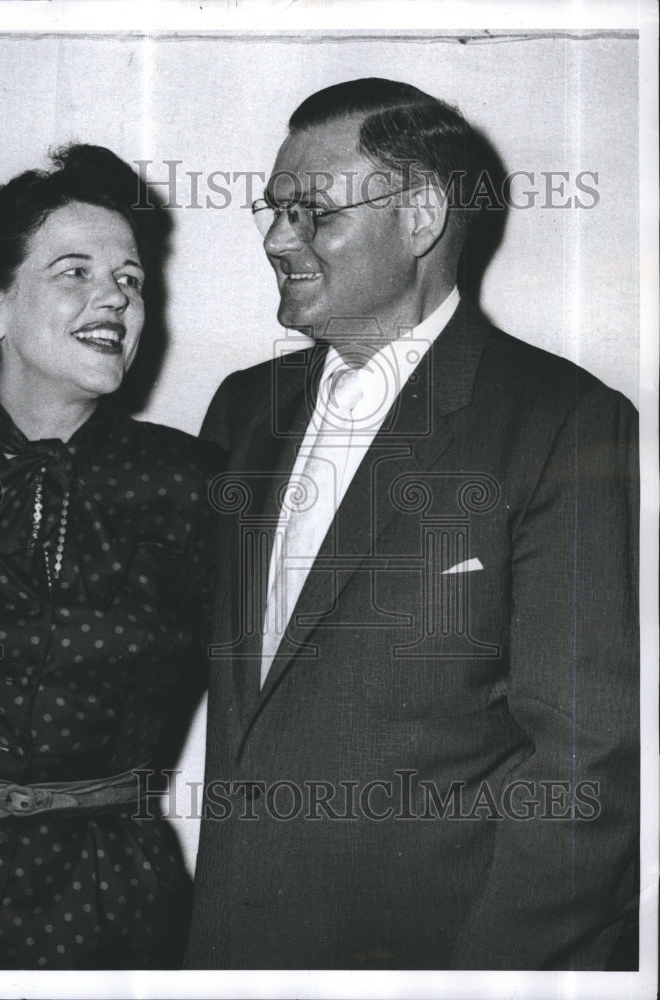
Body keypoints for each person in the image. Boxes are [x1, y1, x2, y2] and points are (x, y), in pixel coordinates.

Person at [186, 79, 639, 970]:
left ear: (422, 215)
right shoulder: (242, 411)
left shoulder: (560, 423)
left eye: (312, 211)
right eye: (273, 211)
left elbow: (589, 759)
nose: (278, 239)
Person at [0, 144, 218, 969]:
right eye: (76, 272)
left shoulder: (195, 481)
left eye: (131, 280)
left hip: (108, 896)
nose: (115, 297)